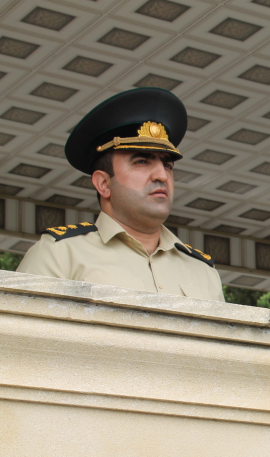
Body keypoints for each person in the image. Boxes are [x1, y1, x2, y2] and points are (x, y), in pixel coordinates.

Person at [17, 88, 225, 302]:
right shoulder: (61, 254)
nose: (162, 175)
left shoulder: (203, 271)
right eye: (142, 161)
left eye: (168, 165)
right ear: (103, 183)